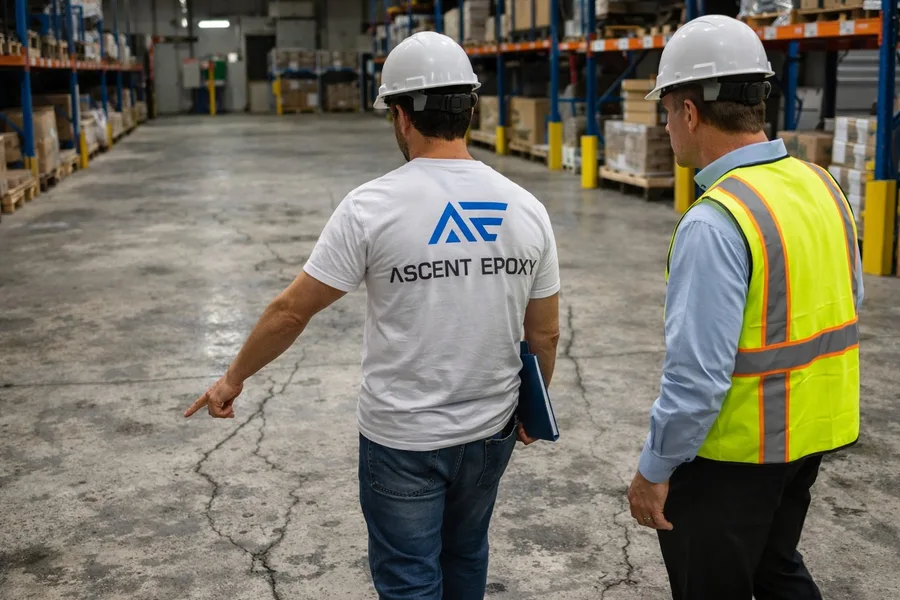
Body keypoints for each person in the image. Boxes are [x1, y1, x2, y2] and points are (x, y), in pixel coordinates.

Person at [184, 31, 561, 600]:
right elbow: (546, 333)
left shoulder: (371, 207)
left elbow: (291, 312)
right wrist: (534, 407)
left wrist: (231, 379)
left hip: (403, 438)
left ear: (402, 115)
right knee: (466, 554)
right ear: (470, 109)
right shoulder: (526, 207)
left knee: (410, 576)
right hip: (492, 429)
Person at [625, 14, 864, 600]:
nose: (665, 124)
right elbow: (847, 302)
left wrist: (654, 469)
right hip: (808, 436)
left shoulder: (717, 220)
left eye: (666, 109)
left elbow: (697, 379)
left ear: (688, 111)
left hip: (731, 455)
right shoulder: (820, 184)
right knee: (775, 567)